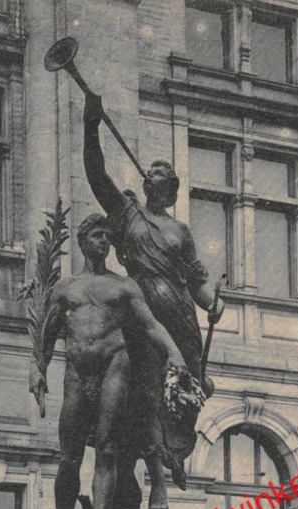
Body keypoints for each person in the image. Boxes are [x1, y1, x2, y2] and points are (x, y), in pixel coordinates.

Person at [83, 90, 224, 487]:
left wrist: (214, 305)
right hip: (142, 315)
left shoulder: (179, 230)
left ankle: (174, 455)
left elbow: (196, 282)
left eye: (159, 173)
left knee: (185, 390)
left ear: (169, 188)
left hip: (181, 315)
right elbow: (97, 175)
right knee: (144, 394)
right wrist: (90, 126)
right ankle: (150, 469)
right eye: (150, 171)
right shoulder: (127, 215)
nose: (151, 174)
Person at [28, 213, 188, 509]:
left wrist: (174, 353)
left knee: (107, 448)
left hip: (115, 367)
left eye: (107, 235)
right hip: (76, 374)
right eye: (97, 235)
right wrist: (37, 369)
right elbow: (47, 333)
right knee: (69, 457)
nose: (104, 240)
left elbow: (150, 325)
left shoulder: (124, 287)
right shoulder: (66, 288)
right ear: (83, 241)